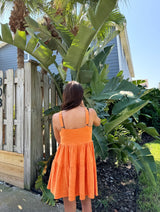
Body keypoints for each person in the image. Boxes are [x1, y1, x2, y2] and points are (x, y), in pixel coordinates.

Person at [47, 81, 101, 212]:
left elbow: (59, 140)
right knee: (87, 203)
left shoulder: (57, 117)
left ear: (65, 96)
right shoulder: (90, 113)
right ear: (81, 96)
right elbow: (98, 123)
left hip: (65, 162)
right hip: (85, 163)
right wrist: (83, 106)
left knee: (69, 204)